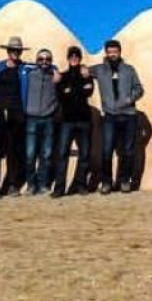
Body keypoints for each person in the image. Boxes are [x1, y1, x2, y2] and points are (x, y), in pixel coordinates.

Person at [85, 39, 144, 195]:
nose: (112, 54)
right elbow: (83, 71)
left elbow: (139, 89)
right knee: (107, 150)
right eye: (110, 52)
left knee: (128, 151)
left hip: (129, 114)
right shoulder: (100, 70)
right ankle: (106, 182)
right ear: (106, 52)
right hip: (110, 115)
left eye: (115, 51)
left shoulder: (129, 70)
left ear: (119, 52)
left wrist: (129, 99)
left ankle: (124, 181)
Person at [0, 36, 33, 198]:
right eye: (13, 50)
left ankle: (12, 184)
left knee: (14, 150)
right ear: (7, 51)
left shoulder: (25, 68)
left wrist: (55, 70)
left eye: (18, 51)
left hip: (17, 113)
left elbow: (44, 66)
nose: (15, 53)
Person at [52, 45, 94, 198]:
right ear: (68, 58)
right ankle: (59, 188)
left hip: (84, 120)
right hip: (67, 121)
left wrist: (70, 90)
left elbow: (89, 91)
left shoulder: (86, 75)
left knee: (85, 155)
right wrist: (74, 89)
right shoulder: (61, 77)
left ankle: (80, 185)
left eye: (76, 56)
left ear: (80, 58)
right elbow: (61, 97)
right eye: (71, 56)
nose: (74, 58)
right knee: (62, 154)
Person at [24, 49, 61, 195]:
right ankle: (31, 185)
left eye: (48, 59)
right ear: (36, 60)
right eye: (41, 59)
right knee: (30, 154)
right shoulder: (29, 74)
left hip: (48, 118)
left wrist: (56, 69)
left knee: (46, 155)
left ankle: (43, 185)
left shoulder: (55, 77)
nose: (44, 62)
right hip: (31, 118)